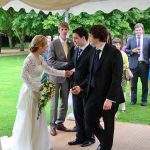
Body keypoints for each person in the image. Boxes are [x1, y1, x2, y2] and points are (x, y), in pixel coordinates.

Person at [0, 35, 72, 150]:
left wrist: (64, 73)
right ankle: (28, 145)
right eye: (45, 44)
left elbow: (49, 70)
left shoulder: (40, 57)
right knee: (30, 118)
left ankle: (38, 144)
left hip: (38, 90)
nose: (47, 46)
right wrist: (35, 87)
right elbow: (23, 76)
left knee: (38, 117)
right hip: (29, 92)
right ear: (40, 46)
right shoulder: (29, 59)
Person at [72, 25, 123, 150]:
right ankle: (105, 143)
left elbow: (117, 78)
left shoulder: (114, 52)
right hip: (93, 94)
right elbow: (91, 74)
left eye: (90, 35)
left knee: (108, 125)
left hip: (108, 96)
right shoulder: (94, 51)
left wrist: (110, 99)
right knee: (89, 121)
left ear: (97, 37)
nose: (88, 38)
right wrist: (81, 87)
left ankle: (105, 147)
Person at [59, 27, 95, 147]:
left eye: (75, 38)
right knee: (77, 113)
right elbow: (71, 64)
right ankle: (80, 137)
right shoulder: (76, 49)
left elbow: (91, 74)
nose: (73, 40)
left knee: (87, 114)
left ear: (84, 38)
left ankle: (90, 138)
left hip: (86, 89)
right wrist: (54, 70)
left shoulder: (92, 51)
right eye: (73, 38)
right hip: (75, 87)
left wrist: (82, 86)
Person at [47, 22, 74, 136]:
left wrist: (70, 68)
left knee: (64, 102)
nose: (64, 31)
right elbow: (51, 61)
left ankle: (60, 123)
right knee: (54, 102)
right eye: (62, 29)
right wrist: (66, 65)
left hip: (67, 77)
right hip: (54, 77)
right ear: (59, 30)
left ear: (68, 30)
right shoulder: (53, 43)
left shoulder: (70, 43)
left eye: (66, 29)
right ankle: (52, 126)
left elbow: (73, 60)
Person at [125, 23, 150, 106]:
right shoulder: (131, 40)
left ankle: (144, 100)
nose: (138, 31)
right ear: (134, 31)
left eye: (140, 30)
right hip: (133, 65)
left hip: (144, 64)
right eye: (136, 30)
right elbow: (126, 50)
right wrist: (133, 51)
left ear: (142, 30)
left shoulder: (148, 39)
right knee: (133, 84)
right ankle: (133, 100)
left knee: (145, 84)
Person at [112, 38, 129, 112]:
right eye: (114, 44)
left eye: (117, 44)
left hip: (121, 75)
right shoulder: (110, 53)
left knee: (123, 90)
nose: (116, 46)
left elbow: (127, 64)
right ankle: (113, 105)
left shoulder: (123, 54)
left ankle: (123, 107)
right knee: (112, 90)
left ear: (120, 45)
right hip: (111, 75)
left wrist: (121, 67)